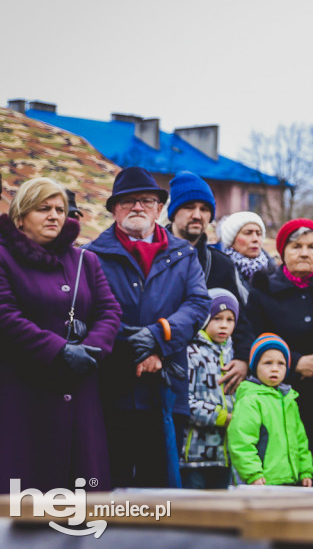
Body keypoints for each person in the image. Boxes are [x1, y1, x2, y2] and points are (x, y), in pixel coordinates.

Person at [87, 166, 209, 487]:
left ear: (158, 208)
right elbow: (92, 314)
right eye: (127, 201)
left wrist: (158, 338)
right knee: (111, 488)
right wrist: (135, 349)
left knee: (162, 494)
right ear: (114, 209)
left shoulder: (184, 255)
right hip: (111, 390)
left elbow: (198, 305)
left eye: (146, 200)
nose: (137, 207)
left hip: (166, 389)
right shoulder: (90, 257)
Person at [0, 178, 121, 491]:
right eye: (43, 209)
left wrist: (90, 351)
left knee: (81, 497)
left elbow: (109, 312)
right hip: (22, 394)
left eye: (59, 209)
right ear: (20, 217)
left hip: (79, 391)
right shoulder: (3, 258)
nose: (54, 215)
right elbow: (6, 315)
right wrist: (58, 351)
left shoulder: (86, 260)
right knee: (24, 494)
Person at [244, 218, 313, 485]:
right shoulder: (263, 290)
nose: (304, 253)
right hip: (283, 391)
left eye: (312, 246)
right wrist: (296, 362)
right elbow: (256, 336)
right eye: (296, 246)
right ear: (282, 252)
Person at [166, 171, 252, 393]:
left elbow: (243, 318)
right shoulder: (152, 255)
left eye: (204, 209)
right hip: (160, 367)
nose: (197, 215)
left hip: (207, 381)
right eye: (189, 207)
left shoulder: (220, 264)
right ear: (173, 212)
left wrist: (243, 359)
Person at [227, 333, 313, 486]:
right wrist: (253, 473)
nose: (275, 369)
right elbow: (241, 440)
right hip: (262, 482)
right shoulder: (250, 399)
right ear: (255, 366)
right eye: (267, 363)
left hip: (291, 481)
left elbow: (300, 440)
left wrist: (305, 470)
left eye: (280, 363)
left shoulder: (289, 399)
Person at [181, 288, 237, 489]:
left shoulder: (234, 357)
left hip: (226, 456)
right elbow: (185, 401)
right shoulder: (191, 353)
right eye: (217, 318)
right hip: (194, 455)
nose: (224, 325)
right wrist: (222, 417)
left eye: (230, 320)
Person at [217, 211, 271, 289]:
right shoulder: (220, 271)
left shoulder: (273, 271)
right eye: (248, 233)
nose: (255, 239)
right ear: (232, 240)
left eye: (259, 233)